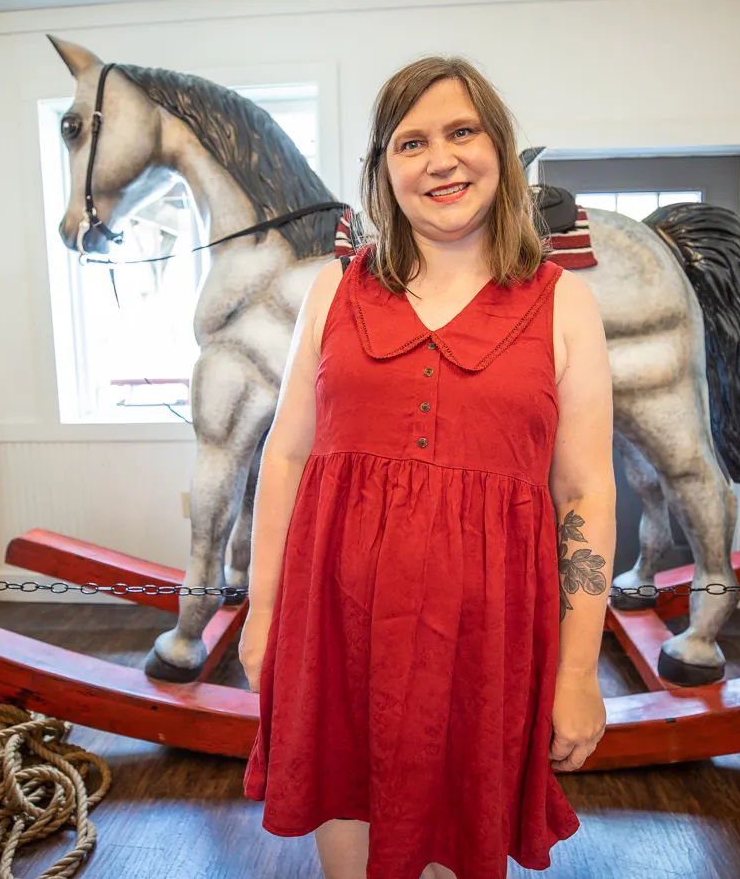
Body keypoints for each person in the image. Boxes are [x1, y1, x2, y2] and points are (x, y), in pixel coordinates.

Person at [240, 55, 616, 879]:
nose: (440, 158)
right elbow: (288, 455)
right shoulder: (331, 294)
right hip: (334, 629)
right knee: (346, 832)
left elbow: (585, 490)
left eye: (462, 132)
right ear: (384, 171)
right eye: (411, 142)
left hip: (486, 646)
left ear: (500, 150)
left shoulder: (564, 303)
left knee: (458, 841)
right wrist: (263, 612)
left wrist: (581, 670)